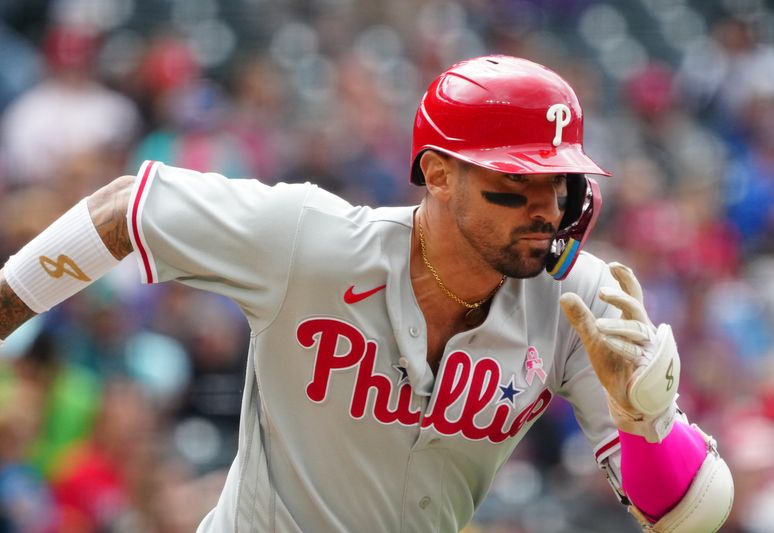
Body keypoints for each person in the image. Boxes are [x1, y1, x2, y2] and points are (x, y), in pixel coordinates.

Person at [0, 55, 733, 532]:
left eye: (562, 179)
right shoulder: (312, 240)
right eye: (515, 182)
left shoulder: (581, 299)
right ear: (439, 173)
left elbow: (689, 516)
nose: (546, 206)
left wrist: (647, 418)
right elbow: (124, 210)